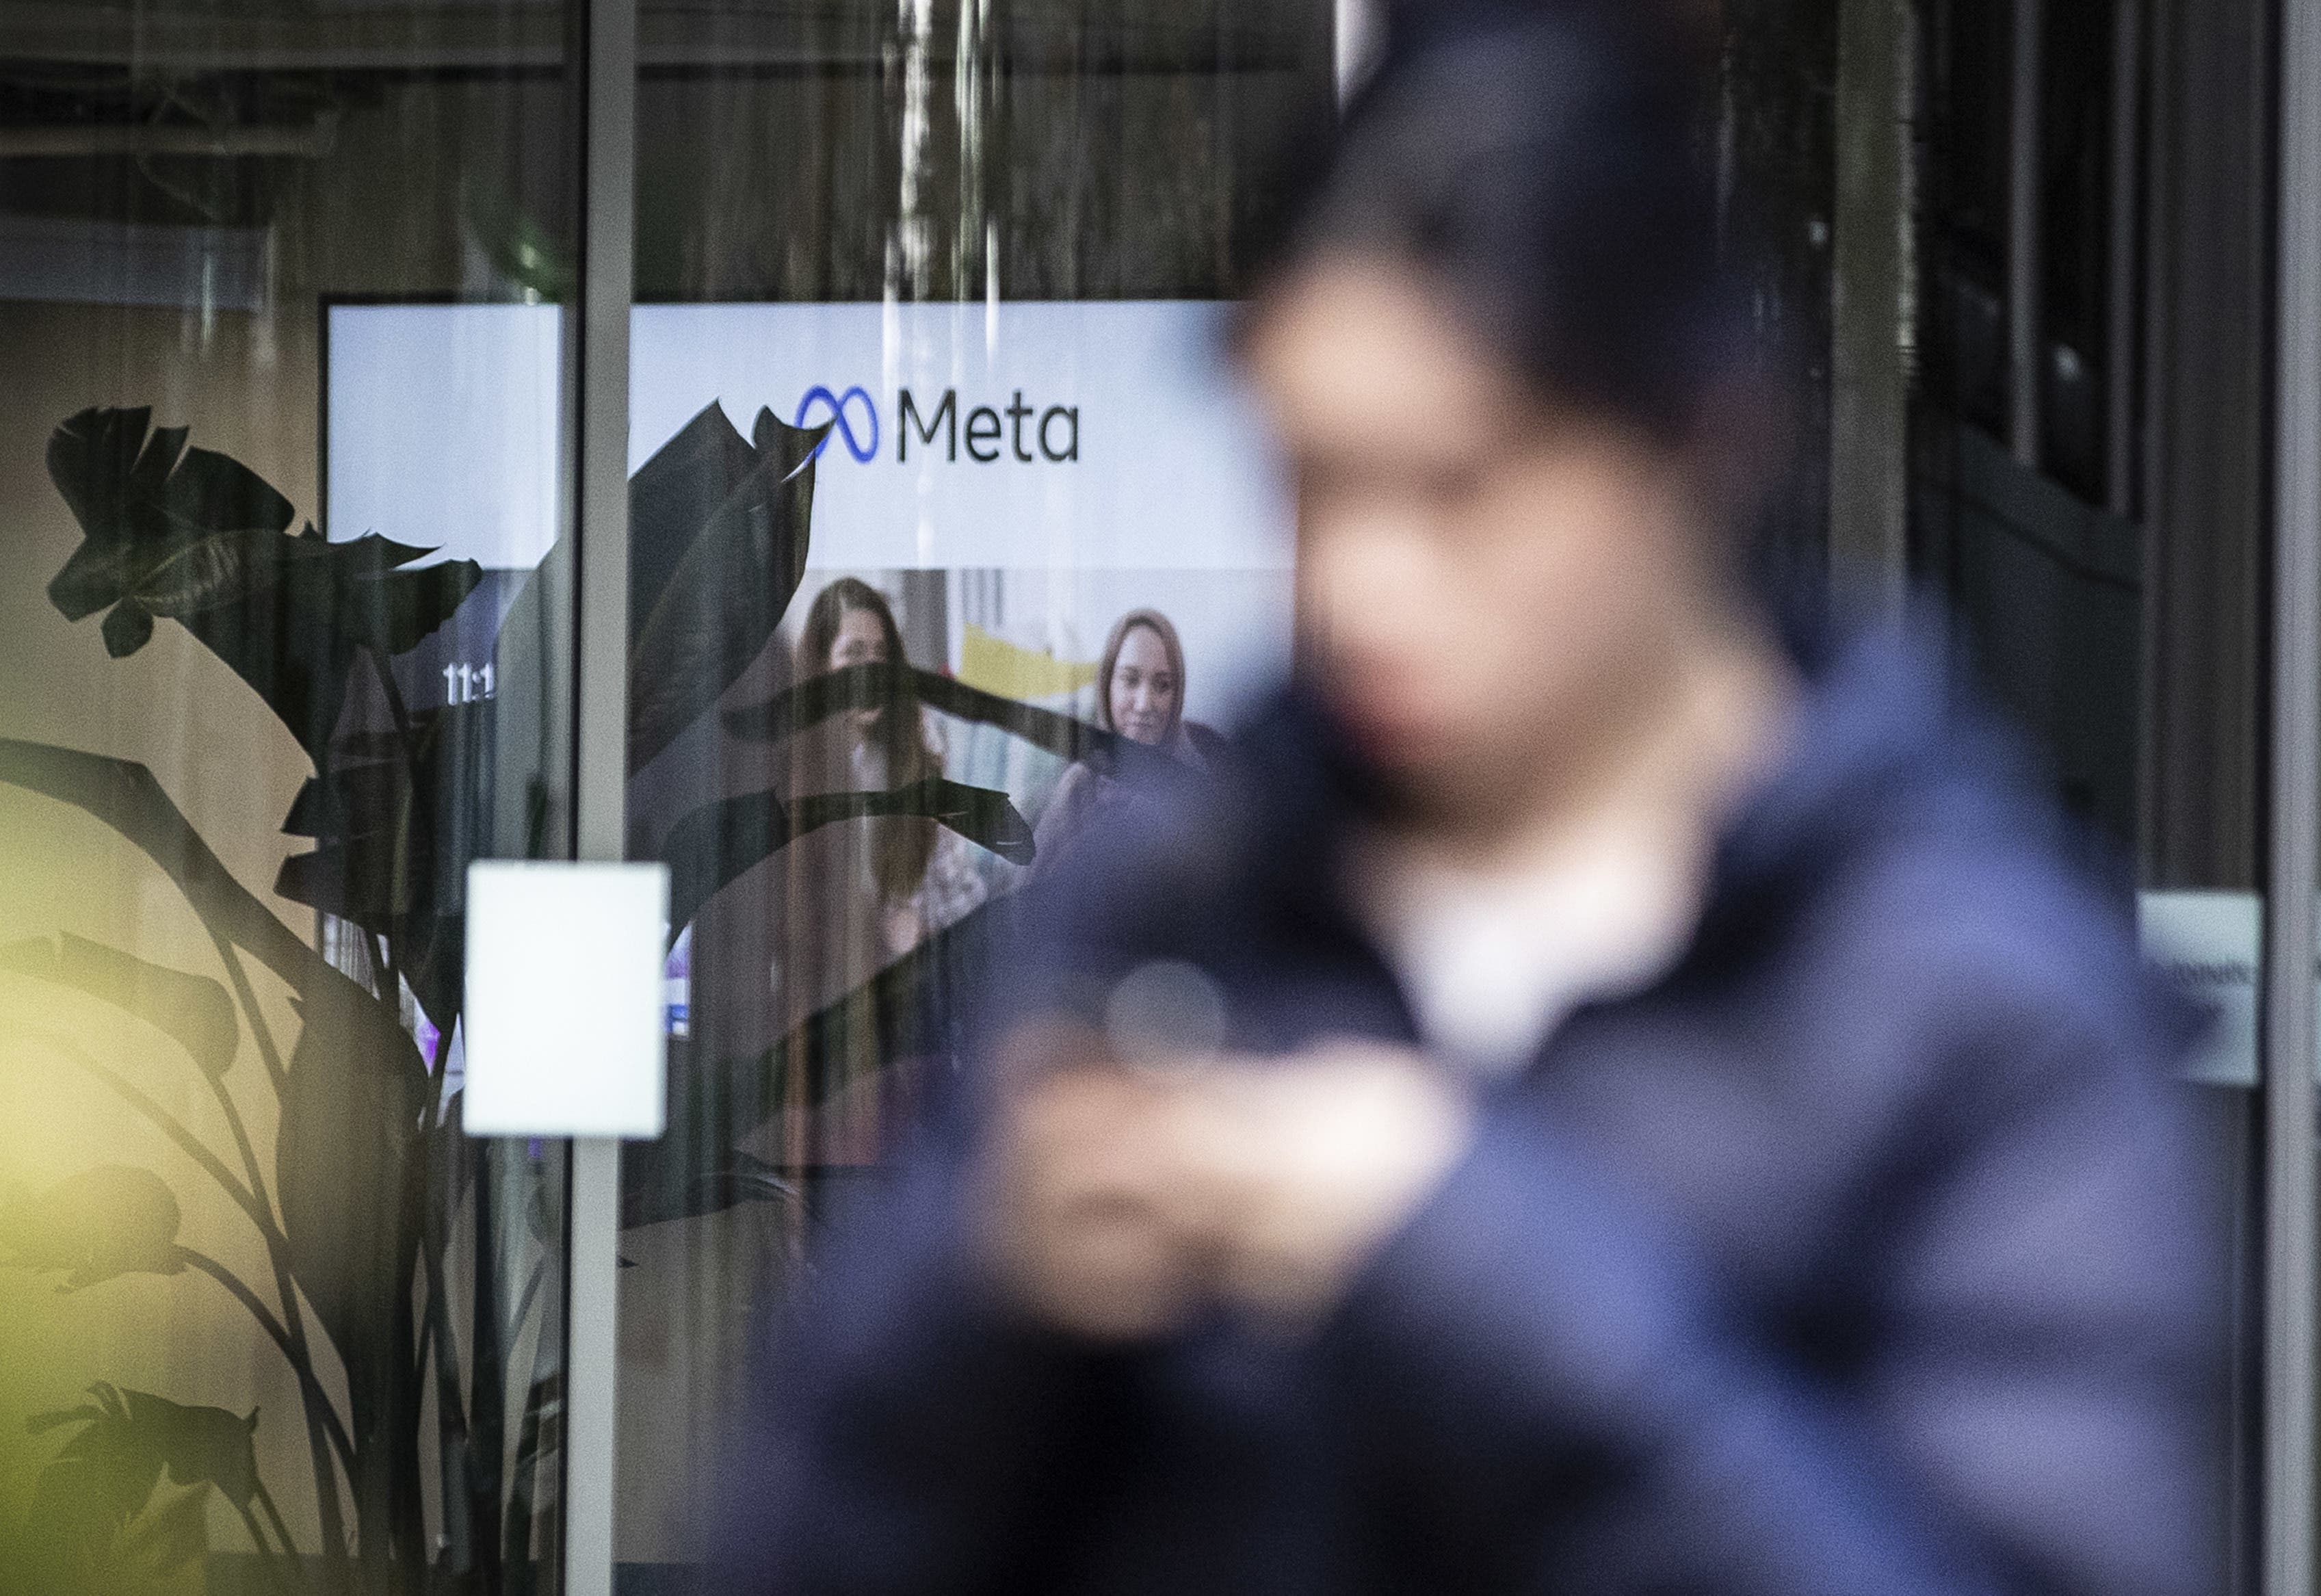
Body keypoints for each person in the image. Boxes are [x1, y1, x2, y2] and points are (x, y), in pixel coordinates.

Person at [716, 8, 2220, 1596]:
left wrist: (1467, 1268)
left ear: (1692, 448)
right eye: (1309, 480)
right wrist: (980, 1290)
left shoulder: (1970, 1001)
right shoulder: (1183, 887)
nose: (1359, 581)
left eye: (1453, 486)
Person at [788, 577, 988, 965]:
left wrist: (920, 934)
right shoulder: (794, 768)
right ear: (822, 667)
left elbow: (963, 907)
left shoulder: (916, 752)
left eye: (881, 655)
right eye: (854, 654)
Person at [1032, 607, 1224, 876]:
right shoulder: (1078, 788)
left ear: (1177, 693)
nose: (1145, 704)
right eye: (1130, 680)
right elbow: (1028, 901)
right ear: (1107, 686)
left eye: (1163, 685)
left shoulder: (1203, 789)